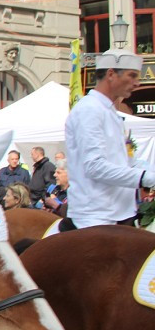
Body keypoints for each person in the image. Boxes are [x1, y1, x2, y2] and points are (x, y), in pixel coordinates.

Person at [64, 50, 154, 228]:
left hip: (119, 214)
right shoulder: (89, 110)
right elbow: (95, 167)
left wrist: (148, 173)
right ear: (111, 74)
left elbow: (127, 162)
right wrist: (146, 178)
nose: (137, 83)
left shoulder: (109, 111)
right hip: (95, 216)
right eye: (132, 76)